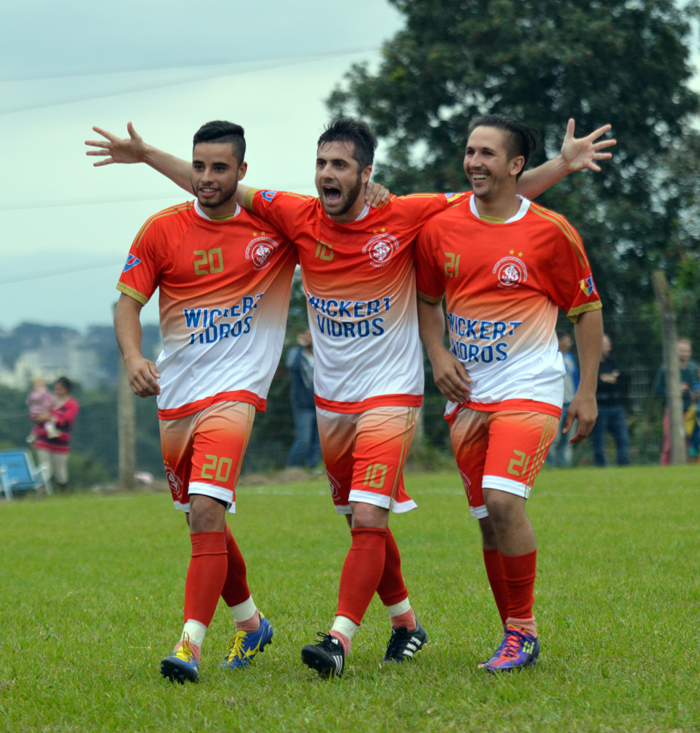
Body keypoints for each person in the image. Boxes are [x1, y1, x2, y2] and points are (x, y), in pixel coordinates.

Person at [87, 115, 613, 678]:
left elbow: (493, 195)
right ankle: (407, 622)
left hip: (394, 393)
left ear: (366, 174)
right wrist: (145, 156)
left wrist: (559, 165)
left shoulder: (405, 214)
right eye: (321, 164)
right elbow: (214, 187)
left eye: (340, 165)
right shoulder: (295, 215)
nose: (326, 175)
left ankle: (339, 639)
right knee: (360, 520)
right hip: (332, 399)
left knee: (370, 515)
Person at [113, 121, 300, 683]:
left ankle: (189, 644)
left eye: (220, 168)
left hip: (236, 395)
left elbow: (342, 217)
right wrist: (133, 358)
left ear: (242, 172)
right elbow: (127, 304)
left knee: (206, 511)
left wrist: (376, 192)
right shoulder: (161, 230)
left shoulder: (274, 229)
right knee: (203, 523)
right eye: (199, 166)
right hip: (176, 398)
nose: (207, 178)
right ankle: (250, 623)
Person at [416, 114, 603, 672]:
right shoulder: (440, 227)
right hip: (467, 394)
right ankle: (512, 633)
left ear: (516, 164)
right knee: (485, 518)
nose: (474, 162)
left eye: (488, 154)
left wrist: (586, 391)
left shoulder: (551, 231)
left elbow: (587, 313)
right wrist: (439, 354)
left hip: (531, 384)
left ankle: (523, 631)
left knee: (503, 500)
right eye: (470, 151)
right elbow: (427, 301)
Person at [654, 338, 698, 465]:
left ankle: (691, 470)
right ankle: (665, 469)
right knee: (669, 443)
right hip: (672, 412)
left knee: (691, 443)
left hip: (691, 412)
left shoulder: (694, 368)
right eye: (682, 351)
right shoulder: (666, 368)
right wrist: (675, 390)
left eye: (687, 351)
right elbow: (658, 390)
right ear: (675, 351)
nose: (685, 354)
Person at [33, 377, 80, 490]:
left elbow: (66, 421)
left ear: (67, 390)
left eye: (60, 389)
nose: (57, 392)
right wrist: (41, 417)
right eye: (56, 389)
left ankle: (62, 493)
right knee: (45, 469)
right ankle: (43, 492)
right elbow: (37, 414)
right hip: (44, 440)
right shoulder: (50, 401)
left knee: (60, 471)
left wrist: (51, 418)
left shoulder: (72, 404)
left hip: (61, 442)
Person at [592, 334, 630, 466]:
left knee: (622, 439)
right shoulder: (592, 364)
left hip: (616, 406)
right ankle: (600, 466)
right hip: (600, 407)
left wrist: (604, 379)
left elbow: (624, 380)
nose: (610, 347)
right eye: (607, 345)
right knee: (599, 441)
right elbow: (593, 383)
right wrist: (611, 380)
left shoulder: (612, 362)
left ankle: (624, 466)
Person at [286, 329, 322, 469]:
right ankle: (294, 469)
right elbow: (292, 366)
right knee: (304, 440)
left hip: (320, 404)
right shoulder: (295, 353)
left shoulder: (319, 353)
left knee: (318, 442)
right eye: (307, 335)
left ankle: (311, 468)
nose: (310, 338)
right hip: (302, 405)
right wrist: (301, 345)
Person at [547, 332, 579, 467]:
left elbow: (576, 379)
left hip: (570, 403)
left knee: (569, 440)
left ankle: (566, 467)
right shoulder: (550, 357)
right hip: (555, 405)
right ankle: (551, 466)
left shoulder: (570, 358)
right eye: (567, 340)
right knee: (554, 439)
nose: (570, 343)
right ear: (558, 341)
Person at [26, 377, 59, 444]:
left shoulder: (46, 393)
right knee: (42, 422)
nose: (41, 387)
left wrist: (54, 399)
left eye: (42, 385)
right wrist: (42, 392)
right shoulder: (33, 394)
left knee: (45, 423)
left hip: (44, 412)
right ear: (34, 387)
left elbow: (51, 399)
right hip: (36, 412)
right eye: (38, 385)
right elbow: (34, 399)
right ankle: (33, 435)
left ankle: (50, 433)